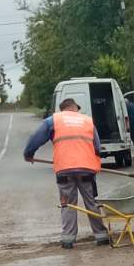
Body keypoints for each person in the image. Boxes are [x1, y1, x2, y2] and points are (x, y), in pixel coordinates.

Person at [23, 98, 110, 249]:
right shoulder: (87, 121)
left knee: (68, 204)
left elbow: (35, 138)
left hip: (65, 169)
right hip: (86, 169)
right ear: (75, 108)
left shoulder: (53, 120)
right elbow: (97, 147)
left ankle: (68, 239)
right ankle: (101, 236)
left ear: (62, 109)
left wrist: (29, 154)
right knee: (92, 202)